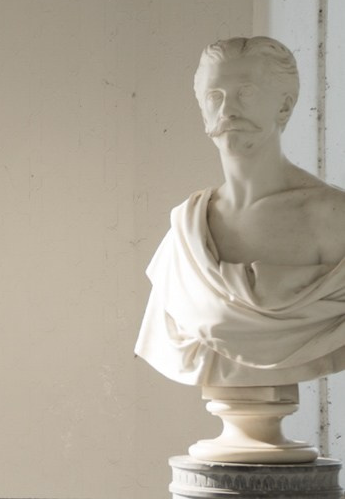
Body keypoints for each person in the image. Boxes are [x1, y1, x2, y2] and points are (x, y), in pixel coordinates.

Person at [136, 37, 345, 387]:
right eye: (214, 96)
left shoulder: (332, 218)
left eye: (245, 93)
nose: (228, 109)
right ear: (203, 111)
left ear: (285, 107)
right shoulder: (186, 233)